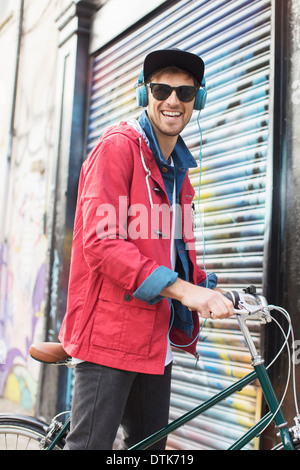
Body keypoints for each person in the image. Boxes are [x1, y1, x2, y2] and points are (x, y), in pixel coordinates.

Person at [58, 48, 234, 450]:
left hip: (155, 340)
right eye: (162, 89)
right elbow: (101, 246)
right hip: (109, 338)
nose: (173, 101)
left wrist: (207, 286)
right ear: (145, 94)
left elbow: (171, 254)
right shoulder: (118, 149)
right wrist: (186, 291)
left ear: (198, 101)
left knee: (149, 450)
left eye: (185, 93)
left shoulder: (179, 173)